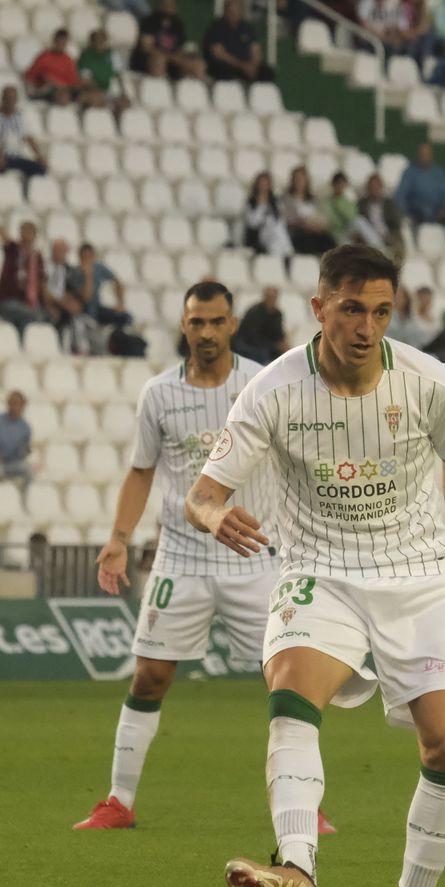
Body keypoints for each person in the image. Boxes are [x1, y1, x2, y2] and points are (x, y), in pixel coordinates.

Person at [189, 244, 445, 887]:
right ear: (319, 308)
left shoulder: (429, 381)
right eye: (352, 309)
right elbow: (203, 493)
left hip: (420, 574)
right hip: (321, 571)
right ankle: (297, 866)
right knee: (291, 694)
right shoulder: (273, 391)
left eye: (381, 311)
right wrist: (214, 515)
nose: (366, 327)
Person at [75, 281, 333, 836]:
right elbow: (141, 471)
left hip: (255, 557)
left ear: (233, 324)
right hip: (181, 558)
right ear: (183, 326)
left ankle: (305, 802)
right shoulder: (159, 393)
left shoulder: (263, 383)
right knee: (149, 677)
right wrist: (119, 538)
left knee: (289, 681)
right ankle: (119, 801)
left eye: (217, 321)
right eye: (197, 322)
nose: (207, 332)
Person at [0, 216, 51, 335]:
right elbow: (4, 236)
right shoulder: (13, 249)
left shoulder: (37, 257)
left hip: (29, 302)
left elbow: (41, 281)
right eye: (24, 230)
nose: (26, 234)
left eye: (30, 231)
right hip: (8, 300)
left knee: (40, 317)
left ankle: (22, 341)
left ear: (35, 234)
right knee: (31, 315)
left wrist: (48, 304)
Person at [0, 86, 49, 182]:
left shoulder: (19, 117)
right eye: (8, 98)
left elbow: (28, 138)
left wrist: (39, 155)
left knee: (40, 169)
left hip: (15, 157)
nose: (11, 102)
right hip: (0, 155)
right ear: (3, 99)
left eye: (13, 99)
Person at [204, 0, 275, 83]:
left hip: (247, 66)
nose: (234, 14)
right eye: (231, 11)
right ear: (225, 11)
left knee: (266, 71)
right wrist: (242, 65)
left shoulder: (246, 28)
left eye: (237, 11)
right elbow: (218, 53)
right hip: (228, 65)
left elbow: (255, 49)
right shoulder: (216, 28)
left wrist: (253, 66)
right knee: (223, 70)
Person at [394, 143, 445, 228]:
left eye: (427, 154)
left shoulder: (438, 172)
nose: (425, 157)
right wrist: (407, 213)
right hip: (417, 210)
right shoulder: (409, 173)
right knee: (424, 212)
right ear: (418, 155)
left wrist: (443, 208)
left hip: (437, 210)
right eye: (422, 154)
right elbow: (401, 195)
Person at [0, 390, 33, 488]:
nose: (15, 407)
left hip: (12, 463)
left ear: (23, 405)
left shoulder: (25, 428)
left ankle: (27, 495)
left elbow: (24, 450)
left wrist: (25, 452)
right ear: (8, 404)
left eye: (18, 404)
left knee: (28, 470)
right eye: (12, 403)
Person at [283, 166, 335, 255]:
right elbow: (289, 219)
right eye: (297, 178)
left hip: (316, 231)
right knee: (308, 240)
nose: (299, 181)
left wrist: (316, 225)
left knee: (329, 240)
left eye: (302, 179)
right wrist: (305, 223)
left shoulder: (314, 200)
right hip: (299, 232)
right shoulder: (287, 199)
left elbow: (323, 218)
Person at [243, 172, 294, 258]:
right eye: (261, 183)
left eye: (266, 183)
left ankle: (289, 255)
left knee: (281, 235)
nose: (263, 186)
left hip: (279, 235)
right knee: (275, 245)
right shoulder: (251, 203)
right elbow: (253, 223)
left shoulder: (276, 202)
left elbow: (281, 219)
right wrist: (261, 205)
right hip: (262, 235)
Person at [235, 286, 286, 363]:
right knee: (262, 354)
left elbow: (279, 333)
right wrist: (274, 345)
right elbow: (251, 337)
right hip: (247, 343)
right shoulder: (255, 312)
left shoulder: (277, 314)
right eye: (269, 297)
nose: (271, 300)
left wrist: (282, 343)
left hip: (266, 345)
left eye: (273, 297)